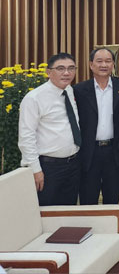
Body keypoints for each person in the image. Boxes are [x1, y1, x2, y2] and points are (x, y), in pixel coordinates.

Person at [18, 53, 81, 206]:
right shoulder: (34, 98)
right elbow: (26, 137)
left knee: (68, 211)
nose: (67, 73)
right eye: (60, 68)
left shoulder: (70, 91)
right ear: (48, 72)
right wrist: (35, 170)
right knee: (46, 213)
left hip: (72, 165)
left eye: (71, 68)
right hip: (48, 168)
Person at [74, 48, 119, 205]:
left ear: (113, 64)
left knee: (112, 200)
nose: (104, 64)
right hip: (89, 153)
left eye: (108, 61)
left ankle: (110, 230)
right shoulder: (79, 90)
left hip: (113, 151)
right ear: (91, 65)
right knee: (88, 200)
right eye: (99, 61)